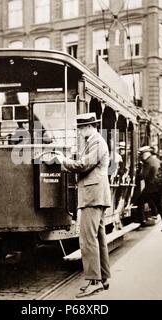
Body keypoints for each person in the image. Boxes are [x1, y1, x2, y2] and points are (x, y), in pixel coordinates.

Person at [54, 112, 111, 298]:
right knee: (98, 237)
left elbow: (82, 165)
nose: (78, 132)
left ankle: (93, 281)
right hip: (96, 195)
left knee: (87, 239)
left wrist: (63, 161)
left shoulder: (96, 142)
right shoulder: (95, 141)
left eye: (79, 129)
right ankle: (103, 277)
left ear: (87, 127)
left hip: (92, 196)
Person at [136, 146, 162, 231]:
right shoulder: (157, 160)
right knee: (160, 207)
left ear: (146, 153)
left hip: (151, 188)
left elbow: (143, 175)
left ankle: (142, 221)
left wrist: (137, 175)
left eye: (142, 154)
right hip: (158, 188)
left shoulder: (147, 162)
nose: (141, 156)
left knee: (139, 201)